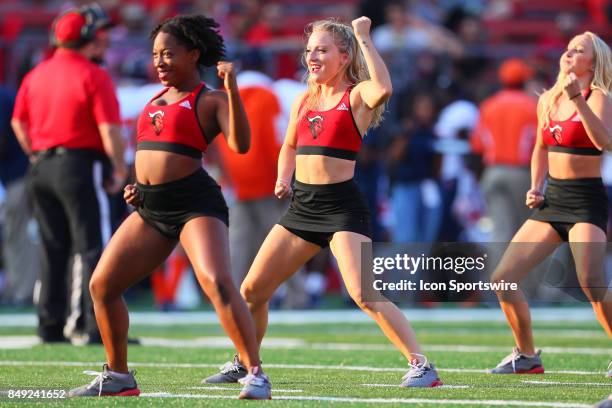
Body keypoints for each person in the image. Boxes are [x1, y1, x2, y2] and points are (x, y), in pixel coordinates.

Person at [204, 17, 442, 388]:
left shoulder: (357, 95)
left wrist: (363, 36)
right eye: (310, 50)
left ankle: (421, 365)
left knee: (363, 293)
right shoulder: (304, 98)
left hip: (341, 207)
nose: (312, 56)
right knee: (252, 290)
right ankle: (244, 362)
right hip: (303, 207)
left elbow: (385, 87)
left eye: (322, 49)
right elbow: (290, 146)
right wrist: (284, 177)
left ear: (344, 56)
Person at [68, 15, 271, 399]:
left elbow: (241, 145)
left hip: (194, 204)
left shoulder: (210, 99)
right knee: (102, 285)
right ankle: (119, 376)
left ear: (194, 55)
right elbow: (150, 157)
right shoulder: (154, 101)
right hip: (150, 209)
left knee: (217, 281)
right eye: (156, 54)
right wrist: (136, 185)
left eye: (169, 54)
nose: (159, 61)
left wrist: (232, 89)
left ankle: (255, 372)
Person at [488, 32, 612, 375]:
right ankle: (526, 355)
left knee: (591, 283)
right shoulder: (548, 99)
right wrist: (535, 186)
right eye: (568, 49)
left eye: (579, 51)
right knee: (503, 279)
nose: (569, 54)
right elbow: (540, 147)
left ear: (594, 61)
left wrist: (580, 100)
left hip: (586, 200)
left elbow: (606, 142)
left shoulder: (598, 95)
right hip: (552, 200)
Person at [11, 4, 127, 345]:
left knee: (53, 247)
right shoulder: (93, 74)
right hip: (78, 165)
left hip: (41, 166)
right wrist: (119, 167)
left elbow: (19, 122)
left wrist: (35, 151)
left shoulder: (37, 73)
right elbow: (109, 130)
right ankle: (91, 326)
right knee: (93, 247)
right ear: (88, 37)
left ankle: (50, 324)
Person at [471, 58, 538, 243]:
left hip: (493, 171)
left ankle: (498, 272)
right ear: (524, 80)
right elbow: (540, 145)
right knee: (526, 233)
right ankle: (524, 273)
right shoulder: (532, 106)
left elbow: (477, 145)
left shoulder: (488, 105)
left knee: (500, 233)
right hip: (522, 174)